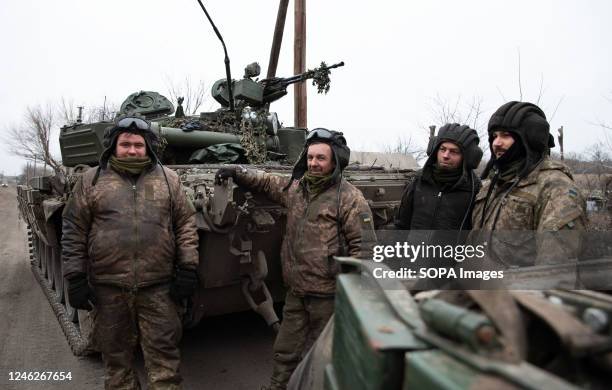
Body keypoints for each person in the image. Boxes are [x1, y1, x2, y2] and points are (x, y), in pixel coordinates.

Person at [215, 128, 375, 390]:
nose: (314, 163)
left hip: (328, 295)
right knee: (285, 351)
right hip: (296, 291)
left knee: (323, 358)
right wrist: (237, 171)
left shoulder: (349, 199)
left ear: (335, 161)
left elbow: (365, 249)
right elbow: (267, 182)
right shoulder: (296, 189)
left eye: (321, 158)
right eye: (310, 157)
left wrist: (354, 297)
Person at [62, 116, 199, 390]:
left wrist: (188, 268)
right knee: (116, 362)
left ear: (148, 147)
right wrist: (75, 277)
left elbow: (185, 224)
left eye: (138, 144)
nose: (133, 150)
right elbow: (73, 229)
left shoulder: (168, 180)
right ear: (114, 146)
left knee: (164, 362)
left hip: (158, 287)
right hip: (108, 288)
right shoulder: (93, 180)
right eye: (126, 144)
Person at [471, 101, 586, 273]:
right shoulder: (491, 187)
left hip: (520, 295)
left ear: (529, 139)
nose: (496, 143)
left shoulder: (554, 187)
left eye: (505, 135)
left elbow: (554, 271)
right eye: (494, 136)